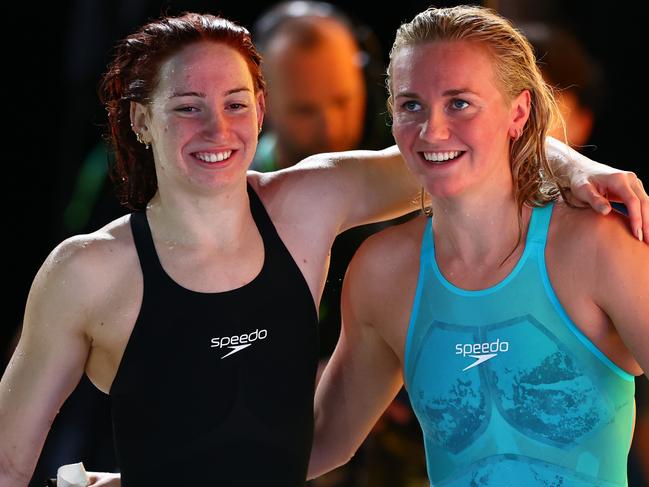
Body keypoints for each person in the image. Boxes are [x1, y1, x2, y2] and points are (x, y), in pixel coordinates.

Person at [0, 11, 646, 487]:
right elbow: (7, 460)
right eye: (187, 108)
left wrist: (573, 168)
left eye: (233, 104)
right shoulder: (85, 270)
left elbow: (474, 145)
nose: (216, 129)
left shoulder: (594, 245)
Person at [309, 6, 648, 487]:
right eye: (411, 106)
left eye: (459, 103)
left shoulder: (597, 246)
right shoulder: (384, 273)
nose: (433, 131)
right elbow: (324, 440)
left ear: (518, 112)